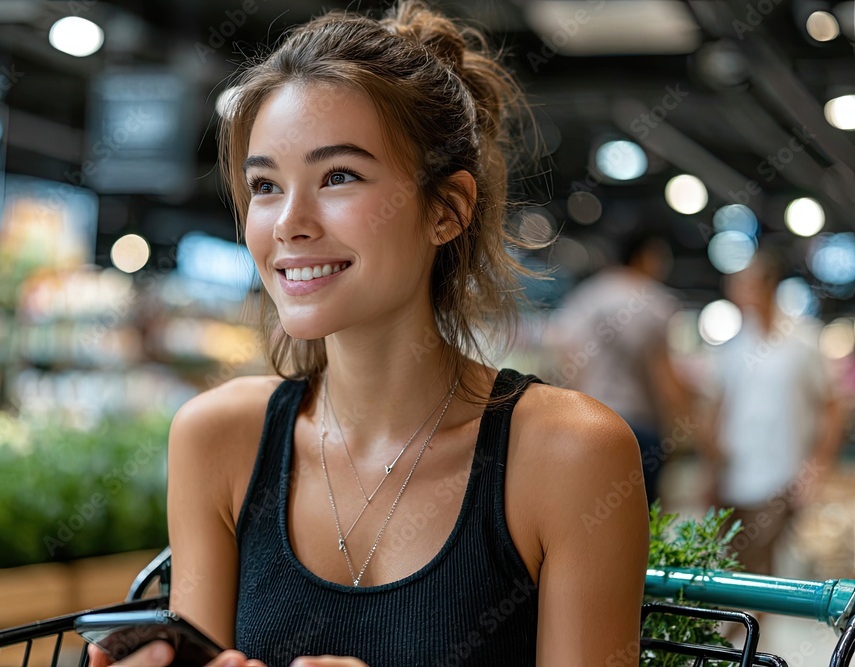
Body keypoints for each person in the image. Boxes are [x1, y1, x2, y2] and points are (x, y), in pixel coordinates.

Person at [92, 2, 648, 665]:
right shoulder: (217, 439)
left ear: (447, 208)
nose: (290, 223)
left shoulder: (571, 455)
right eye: (265, 185)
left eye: (338, 177)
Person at [704, 247, 844, 576]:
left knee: (766, 571)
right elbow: (719, 406)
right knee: (737, 570)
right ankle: (743, 627)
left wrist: (818, 465)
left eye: (744, 284)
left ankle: (748, 627)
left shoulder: (803, 340)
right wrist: (711, 465)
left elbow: (832, 405)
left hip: (783, 477)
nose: (738, 293)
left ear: (767, 284)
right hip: (735, 477)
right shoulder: (733, 346)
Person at [548, 230, 695, 508]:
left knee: (590, 514)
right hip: (638, 429)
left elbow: (564, 358)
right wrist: (683, 428)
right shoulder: (654, 301)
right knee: (641, 522)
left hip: (588, 423)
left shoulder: (585, 298)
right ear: (645, 257)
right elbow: (665, 380)